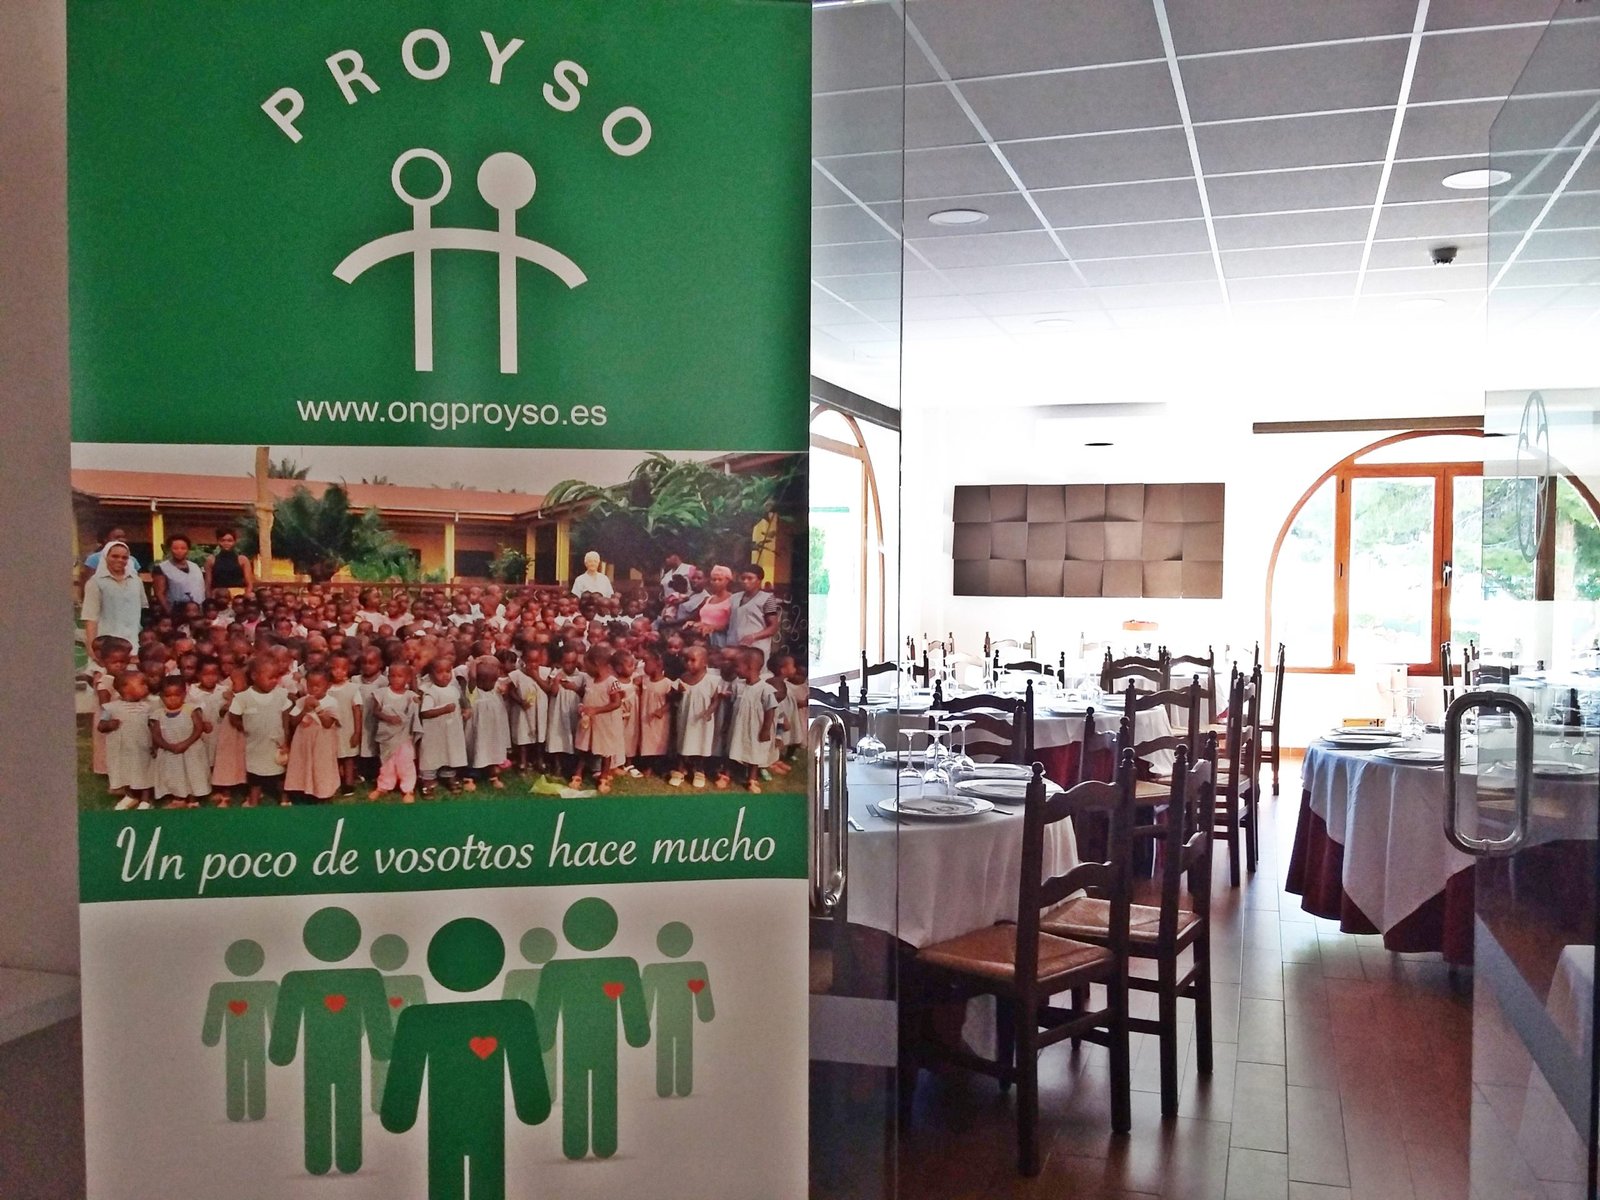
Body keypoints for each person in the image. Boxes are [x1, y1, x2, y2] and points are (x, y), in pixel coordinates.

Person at [228, 658, 291, 807]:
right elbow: (233, 716)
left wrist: (286, 739)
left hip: (276, 744)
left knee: (280, 774)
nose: (274, 681)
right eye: (270, 677)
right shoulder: (243, 698)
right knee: (255, 776)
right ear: (255, 676)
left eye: (276, 677)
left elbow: (285, 717)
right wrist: (244, 727)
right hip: (254, 746)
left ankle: (284, 799)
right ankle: (253, 800)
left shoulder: (281, 695)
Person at [149, 675, 211, 807]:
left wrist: (185, 743)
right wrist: (168, 747)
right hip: (170, 751)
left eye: (177, 695)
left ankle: (193, 799)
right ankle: (178, 798)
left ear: (184, 694)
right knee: (175, 774)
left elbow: (198, 728)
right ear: (161, 696)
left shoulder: (190, 709)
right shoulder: (159, 714)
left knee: (193, 773)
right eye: (168, 696)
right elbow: (156, 735)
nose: (172, 699)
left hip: (191, 749)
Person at [284, 666, 342, 803]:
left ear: (328, 686)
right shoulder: (301, 701)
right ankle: (303, 790)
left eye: (318, 686)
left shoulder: (331, 702)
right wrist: (304, 709)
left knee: (321, 767)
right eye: (310, 685)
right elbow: (293, 721)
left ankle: (323, 792)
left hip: (322, 743)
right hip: (303, 741)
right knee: (303, 764)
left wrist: (318, 708)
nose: (314, 689)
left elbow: (327, 724)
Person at [82, 540, 148, 659]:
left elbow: (143, 610)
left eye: (124, 557)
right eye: (115, 556)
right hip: (106, 645)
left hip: (133, 644)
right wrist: (92, 648)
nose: (120, 560)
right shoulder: (95, 582)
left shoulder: (136, 581)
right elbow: (91, 618)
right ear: (105, 557)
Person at [727, 647, 779, 792]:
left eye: (737, 666)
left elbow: (770, 709)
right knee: (736, 746)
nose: (735, 669)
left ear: (749, 666)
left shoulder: (765, 689)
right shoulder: (738, 686)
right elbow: (732, 705)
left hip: (756, 727)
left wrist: (766, 729)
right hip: (740, 726)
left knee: (754, 751)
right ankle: (729, 773)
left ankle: (752, 779)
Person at [572, 647, 625, 793]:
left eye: (587, 666)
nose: (585, 669)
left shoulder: (612, 682)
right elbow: (588, 697)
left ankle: (604, 776)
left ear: (596, 664)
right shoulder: (590, 681)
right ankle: (578, 774)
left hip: (604, 723)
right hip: (588, 723)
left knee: (605, 750)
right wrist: (583, 707)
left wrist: (596, 710)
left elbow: (616, 703)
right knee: (584, 748)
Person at [101, 670, 155, 810]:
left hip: (142, 746)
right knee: (125, 769)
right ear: (125, 688)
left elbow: (154, 726)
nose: (147, 686)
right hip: (122, 748)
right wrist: (109, 725)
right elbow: (101, 725)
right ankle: (130, 795)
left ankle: (146, 799)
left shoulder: (148, 707)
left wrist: (155, 743)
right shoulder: (110, 708)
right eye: (142, 684)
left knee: (144, 770)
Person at [417, 657, 468, 796]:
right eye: (440, 672)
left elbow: (459, 704)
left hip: (451, 730)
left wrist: (464, 712)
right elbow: (425, 713)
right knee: (432, 754)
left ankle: (449, 775)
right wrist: (443, 710)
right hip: (435, 733)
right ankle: (428, 781)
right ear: (431, 674)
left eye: (448, 671)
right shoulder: (430, 692)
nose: (445, 675)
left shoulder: (453, 689)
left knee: (450, 752)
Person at [369, 663, 420, 803]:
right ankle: (384, 786)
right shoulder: (382, 693)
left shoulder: (409, 695)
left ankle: (408, 788)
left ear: (407, 678)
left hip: (403, 736)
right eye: (392, 676)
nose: (395, 679)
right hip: (387, 735)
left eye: (400, 676)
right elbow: (375, 711)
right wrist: (388, 718)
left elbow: (418, 703)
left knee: (405, 762)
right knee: (387, 762)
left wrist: (416, 697)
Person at [729, 565, 781, 659]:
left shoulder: (767, 598)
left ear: (759, 580)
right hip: (734, 645)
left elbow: (773, 627)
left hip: (756, 647)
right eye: (743, 578)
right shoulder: (734, 598)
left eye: (750, 578)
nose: (745, 581)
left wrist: (754, 636)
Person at [152, 534, 207, 613]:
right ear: (169, 549)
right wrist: (170, 612)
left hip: (198, 611)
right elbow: (159, 594)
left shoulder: (195, 566)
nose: (179, 551)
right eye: (175, 548)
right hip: (177, 612)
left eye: (183, 548)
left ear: (188, 549)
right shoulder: (162, 568)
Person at [690, 565, 735, 648]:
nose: (716, 582)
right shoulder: (709, 599)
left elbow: (732, 624)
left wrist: (713, 627)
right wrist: (696, 624)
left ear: (727, 581)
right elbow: (702, 618)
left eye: (720, 580)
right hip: (702, 637)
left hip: (720, 640)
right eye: (714, 580)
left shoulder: (733, 600)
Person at [205, 527, 254, 594]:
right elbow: (208, 584)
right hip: (218, 595)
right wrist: (209, 598)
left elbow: (249, 584)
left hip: (238, 595)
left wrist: (246, 594)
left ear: (234, 541)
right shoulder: (211, 560)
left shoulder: (242, 560)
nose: (226, 543)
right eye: (222, 540)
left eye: (229, 540)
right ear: (218, 541)